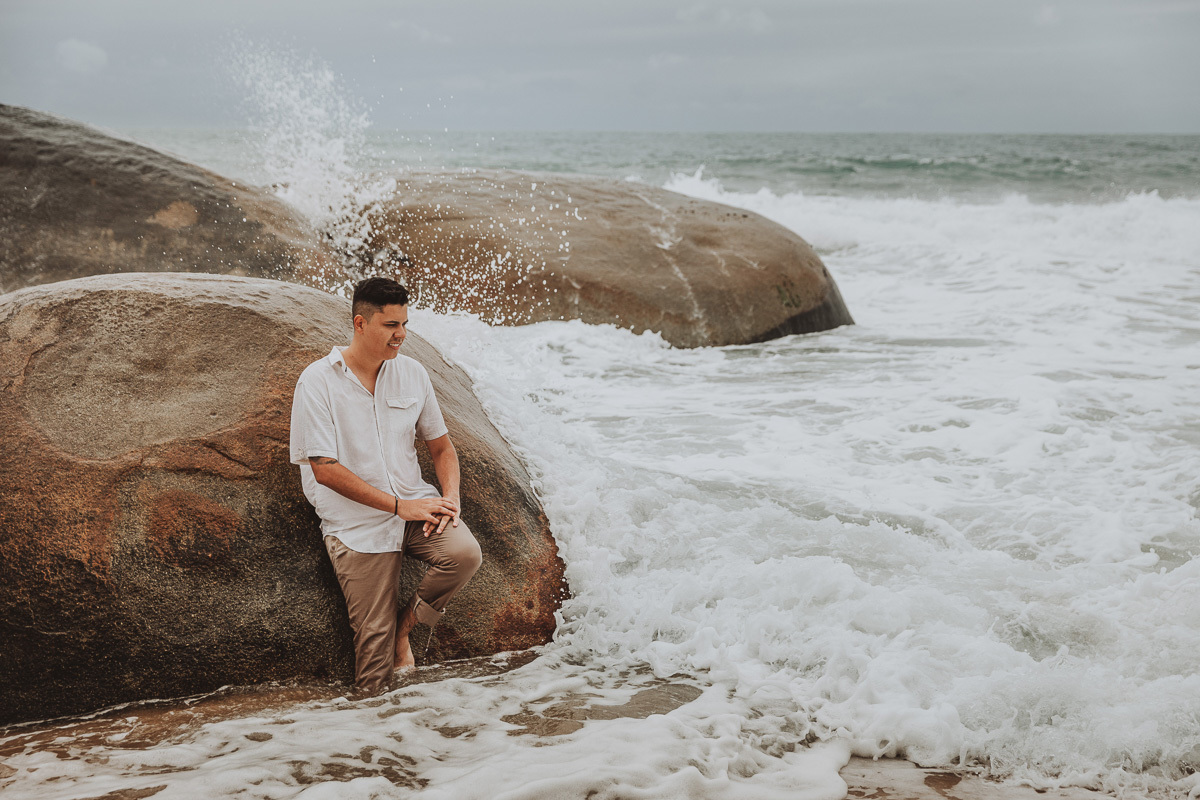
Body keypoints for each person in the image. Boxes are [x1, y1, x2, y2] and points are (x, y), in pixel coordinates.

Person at [289, 277, 482, 694]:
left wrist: (450, 498)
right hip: (357, 526)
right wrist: (398, 507)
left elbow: (442, 448)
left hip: (415, 508)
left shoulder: (412, 374)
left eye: (405, 324)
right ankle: (373, 747)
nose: (402, 335)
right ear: (360, 323)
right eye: (391, 325)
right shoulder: (318, 381)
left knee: (464, 555)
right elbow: (324, 469)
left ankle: (405, 630)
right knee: (373, 672)